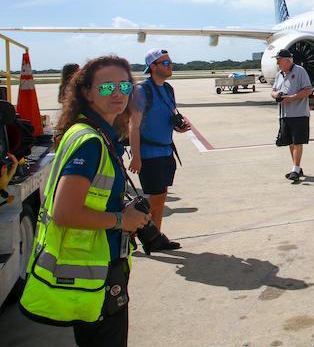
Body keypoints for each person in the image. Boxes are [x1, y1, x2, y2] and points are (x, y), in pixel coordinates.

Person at [19, 55, 150, 346]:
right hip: (94, 274)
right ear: (88, 92)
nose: (117, 93)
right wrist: (122, 220)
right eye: (106, 87)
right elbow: (65, 212)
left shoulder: (85, 130)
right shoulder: (91, 141)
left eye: (124, 86)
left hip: (91, 272)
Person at [128, 49, 190, 250]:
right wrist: (136, 156)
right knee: (153, 198)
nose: (170, 66)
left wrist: (178, 126)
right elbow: (133, 126)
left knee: (160, 197)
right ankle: (127, 229)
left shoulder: (168, 89)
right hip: (149, 153)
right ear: (152, 67)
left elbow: (168, 115)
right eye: (165, 63)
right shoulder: (141, 90)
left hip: (166, 151)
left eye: (170, 62)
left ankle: (155, 238)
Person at [270, 49, 313, 182]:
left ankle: (295, 168)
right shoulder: (279, 74)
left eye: (279, 59)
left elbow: (308, 90)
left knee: (298, 141)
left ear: (288, 60)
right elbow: (273, 91)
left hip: (299, 113)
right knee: (290, 142)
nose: (277, 62)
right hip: (285, 114)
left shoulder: (300, 71)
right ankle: (297, 167)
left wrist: (293, 97)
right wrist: (276, 95)